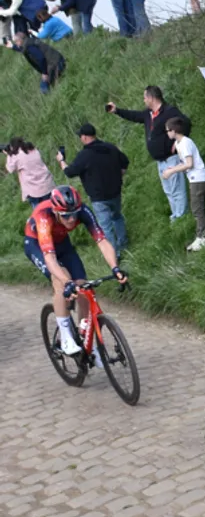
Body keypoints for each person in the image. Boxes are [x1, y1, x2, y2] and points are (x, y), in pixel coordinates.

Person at [23, 186, 127, 356]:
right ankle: (65, 337)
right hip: (37, 245)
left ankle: (86, 338)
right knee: (61, 280)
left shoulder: (83, 211)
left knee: (83, 287)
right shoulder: (44, 216)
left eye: (74, 214)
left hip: (62, 242)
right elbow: (50, 258)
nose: (71, 219)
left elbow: (101, 241)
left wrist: (115, 268)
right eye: (65, 216)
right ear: (56, 212)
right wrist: (66, 282)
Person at [107, 86, 189, 220]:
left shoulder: (169, 111)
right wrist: (117, 111)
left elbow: (186, 123)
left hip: (171, 158)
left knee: (177, 190)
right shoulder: (148, 114)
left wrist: (178, 142)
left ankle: (182, 217)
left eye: (145, 97)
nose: (143, 100)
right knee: (168, 190)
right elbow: (134, 116)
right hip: (160, 161)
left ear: (152, 98)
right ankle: (176, 216)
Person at [58, 124, 130, 253]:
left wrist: (61, 161)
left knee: (105, 226)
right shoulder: (110, 147)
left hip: (98, 197)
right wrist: (119, 175)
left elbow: (69, 172)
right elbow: (125, 162)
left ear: (85, 137)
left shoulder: (84, 155)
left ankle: (114, 254)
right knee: (117, 217)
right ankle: (123, 243)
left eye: (80, 136)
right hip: (115, 192)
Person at [161, 117, 205, 252]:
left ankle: (204, 237)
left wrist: (172, 171)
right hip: (193, 178)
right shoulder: (178, 143)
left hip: (198, 178)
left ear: (174, 130)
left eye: (168, 131)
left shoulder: (185, 143)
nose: (167, 133)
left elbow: (189, 164)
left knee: (197, 208)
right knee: (197, 207)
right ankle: (201, 235)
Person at [3, 137, 55, 206]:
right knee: (54, 208)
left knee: (40, 214)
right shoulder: (34, 150)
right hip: (48, 185)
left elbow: (10, 169)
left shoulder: (17, 157)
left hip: (34, 191)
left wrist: (9, 155)